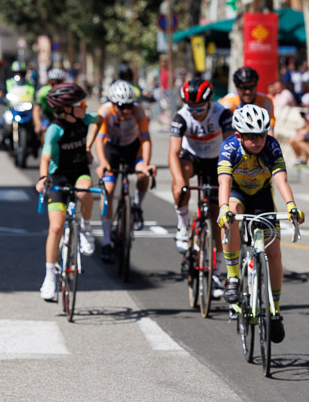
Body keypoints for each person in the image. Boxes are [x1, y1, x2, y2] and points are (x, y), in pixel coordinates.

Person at [217, 104, 305, 343]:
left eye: (262, 135)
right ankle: (234, 277)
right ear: (239, 135)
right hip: (237, 193)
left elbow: (281, 180)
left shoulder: (272, 146)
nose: (257, 141)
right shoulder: (229, 148)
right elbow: (224, 183)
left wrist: (291, 205)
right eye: (251, 136)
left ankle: (275, 309)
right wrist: (224, 209)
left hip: (262, 197)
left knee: (274, 252)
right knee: (231, 215)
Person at [35, 83, 100, 301]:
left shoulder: (84, 119)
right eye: (81, 103)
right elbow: (45, 158)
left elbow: (100, 120)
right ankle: (49, 276)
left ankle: (86, 229)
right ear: (67, 109)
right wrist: (43, 178)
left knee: (84, 191)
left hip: (79, 171)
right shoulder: (55, 129)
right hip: (58, 176)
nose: (85, 106)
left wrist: (89, 147)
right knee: (55, 227)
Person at [169, 78, 233, 253]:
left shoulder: (222, 114)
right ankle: (183, 226)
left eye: (199, 108)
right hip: (192, 157)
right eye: (191, 107)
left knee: (216, 214)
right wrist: (180, 180)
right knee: (179, 184)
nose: (194, 112)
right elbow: (173, 152)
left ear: (209, 102)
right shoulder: (181, 116)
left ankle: (218, 267)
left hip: (216, 159)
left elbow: (231, 145)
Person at [94, 80, 156, 262]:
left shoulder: (138, 111)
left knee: (144, 174)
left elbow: (145, 138)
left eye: (129, 106)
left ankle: (136, 207)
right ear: (113, 104)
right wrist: (103, 163)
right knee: (109, 189)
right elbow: (99, 140)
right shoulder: (105, 112)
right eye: (122, 107)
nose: (126, 111)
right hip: (111, 150)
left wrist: (145, 163)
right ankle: (106, 241)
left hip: (132, 149)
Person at [219, 66, 275, 134]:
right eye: (244, 88)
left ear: (256, 85)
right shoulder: (227, 103)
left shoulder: (266, 102)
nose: (248, 92)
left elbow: (269, 132)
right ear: (236, 87)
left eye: (251, 87)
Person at [33, 67, 67, 144]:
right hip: (48, 114)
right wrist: (38, 125)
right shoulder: (44, 92)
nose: (56, 85)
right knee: (45, 130)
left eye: (59, 82)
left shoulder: (66, 91)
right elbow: (37, 109)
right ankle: (45, 149)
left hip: (62, 114)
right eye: (53, 83)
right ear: (49, 82)